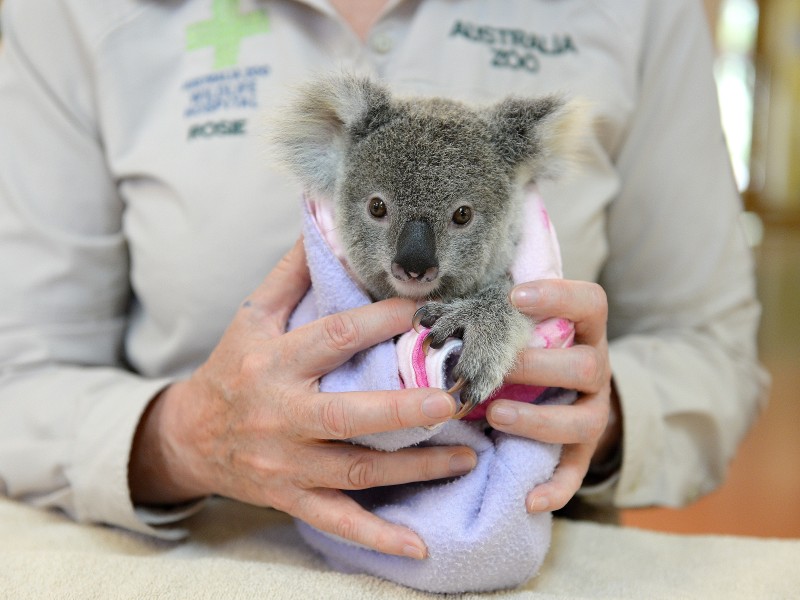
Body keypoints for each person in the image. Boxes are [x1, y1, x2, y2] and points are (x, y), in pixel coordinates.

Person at [0, 0, 768, 560]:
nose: (415, 257)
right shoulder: (66, 17)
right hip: (218, 553)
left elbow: (712, 348)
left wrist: (581, 411)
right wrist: (188, 437)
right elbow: (19, 372)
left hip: (524, 551)